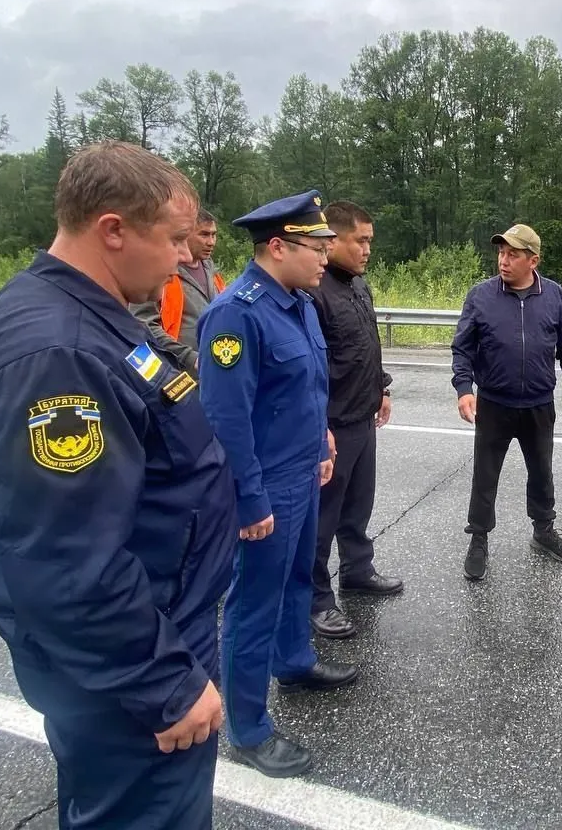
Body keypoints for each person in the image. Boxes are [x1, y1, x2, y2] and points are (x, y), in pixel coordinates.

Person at [0, 140, 237, 829]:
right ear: (112, 229)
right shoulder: (59, 356)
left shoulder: (97, 320)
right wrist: (165, 682)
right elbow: (67, 560)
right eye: (171, 239)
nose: (186, 257)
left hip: (155, 637)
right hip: (133, 679)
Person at [196, 189, 359, 779]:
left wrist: (322, 442)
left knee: (296, 579)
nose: (325, 255)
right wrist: (248, 498)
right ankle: (247, 727)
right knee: (253, 603)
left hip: (302, 473)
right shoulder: (236, 313)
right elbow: (225, 419)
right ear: (276, 246)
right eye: (316, 246)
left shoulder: (298, 303)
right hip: (264, 486)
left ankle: (294, 661)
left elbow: (306, 390)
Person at [451, 223, 562, 581]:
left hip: (539, 404)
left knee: (542, 472)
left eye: (513, 254)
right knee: (485, 475)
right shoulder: (481, 296)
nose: (503, 260)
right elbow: (462, 348)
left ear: (533, 260)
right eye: (501, 252)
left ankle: (543, 530)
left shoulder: (555, 296)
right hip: (494, 404)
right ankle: (478, 538)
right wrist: (464, 388)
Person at [303, 200, 403, 640]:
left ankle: (358, 571)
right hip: (333, 424)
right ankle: (317, 599)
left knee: (358, 506)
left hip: (363, 416)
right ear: (333, 239)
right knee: (323, 517)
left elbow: (366, 342)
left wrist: (381, 388)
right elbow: (310, 365)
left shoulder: (360, 286)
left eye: (369, 242)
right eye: (359, 241)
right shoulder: (315, 292)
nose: (367, 250)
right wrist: (318, 427)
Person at [131, 207, 225, 371]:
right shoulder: (159, 270)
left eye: (213, 234)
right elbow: (144, 326)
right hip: (176, 373)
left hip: (214, 371)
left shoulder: (212, 270)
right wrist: (191, 358)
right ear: (185, 234)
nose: (211, 242)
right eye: (204, 234)